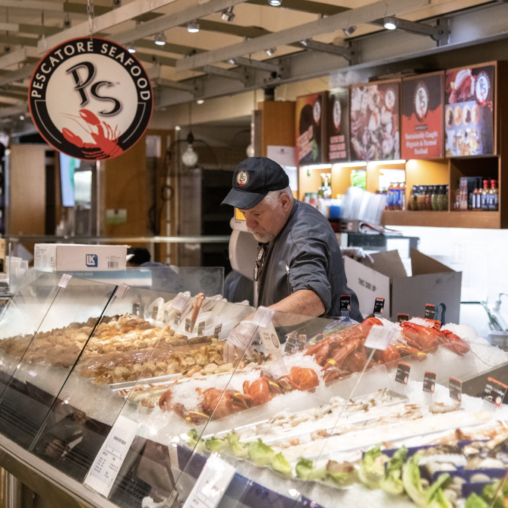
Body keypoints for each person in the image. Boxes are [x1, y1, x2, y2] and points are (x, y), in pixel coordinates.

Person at [222, 156, 363, 322]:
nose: (249, 223)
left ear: (284, 202)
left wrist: (258, 320)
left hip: (330, 341)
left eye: (257, 214)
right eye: (244, 213)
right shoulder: (277, 225)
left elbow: (313, 299)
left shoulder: (303, 235)